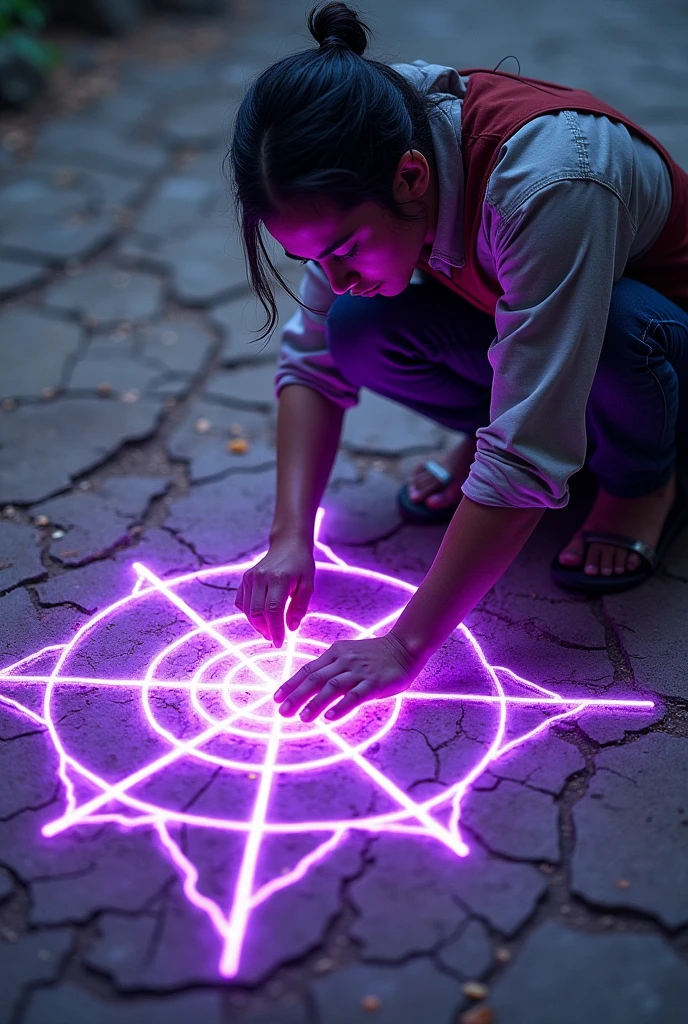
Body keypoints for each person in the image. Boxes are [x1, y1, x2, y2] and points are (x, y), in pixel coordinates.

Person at [227, 2, 688, 724]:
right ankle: (514, 439)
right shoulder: (366, 130)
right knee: (356, 324)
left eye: (344, 249)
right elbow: (314, 360)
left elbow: (527, 453)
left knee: (616, 332)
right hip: (538, 331)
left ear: (412, 177)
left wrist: (406, 646)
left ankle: (642, 481)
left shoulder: (551, 186)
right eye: (311, 258)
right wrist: (289, 540)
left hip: (657, 351)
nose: (332, 273)